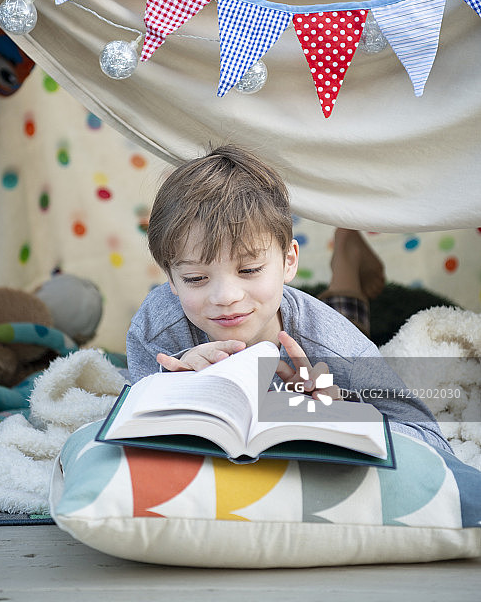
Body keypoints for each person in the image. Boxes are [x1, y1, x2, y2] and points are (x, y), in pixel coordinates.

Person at [126, 144, 451, 453]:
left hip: (330, 327)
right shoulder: (157, 330)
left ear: (289, 262)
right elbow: (134, 424)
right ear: (170, 278)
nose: (225, 297)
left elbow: (431, 439)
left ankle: (346, 259)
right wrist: (169, 388)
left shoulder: (338, 347)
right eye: (196, 278)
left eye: (250, 269)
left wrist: (342, 416)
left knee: (349, 313)